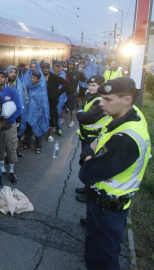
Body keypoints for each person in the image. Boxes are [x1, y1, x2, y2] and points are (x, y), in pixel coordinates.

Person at [79, 77, 150, 270]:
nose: (101, 103)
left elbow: (86, 173)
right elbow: (92, 148)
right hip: (103, 202)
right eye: (102, 97)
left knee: (102, 259)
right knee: (99, 250)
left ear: (127, 99)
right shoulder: (126, 116)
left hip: (109, 210)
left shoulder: (125, 138)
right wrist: (90, 155)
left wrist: (89, 157)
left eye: (108, 99)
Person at [75, 75, 107, 205]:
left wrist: (79, 113)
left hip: (94, 138)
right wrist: (81, 113)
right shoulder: (91, 97)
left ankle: (90, 193)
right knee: (86, 163)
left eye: (94, 85)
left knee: (91, 165)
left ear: (100, 86)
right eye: (89, 85)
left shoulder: (99, 100)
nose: (90, 87)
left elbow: (87, 117)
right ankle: (87, 187)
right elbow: (84, 113)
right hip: (87, 136)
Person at [0, 70, 22, 184]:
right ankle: (1, 167)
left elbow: (19, 108)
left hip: (10, 125)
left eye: (2, 77)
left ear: (6, 79)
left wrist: (7, 120)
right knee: (0, 147)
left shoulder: (11, 91)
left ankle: (11, 170)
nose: (0, 78)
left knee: (11, 148)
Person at [20, 61, 50, 155]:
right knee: (28, 127)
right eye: (31, 67)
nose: (32, 79)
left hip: (39, 110)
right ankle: (28, 143)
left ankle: (38, 146)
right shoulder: (28, 82)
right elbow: (24, 94)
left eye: (34, 78)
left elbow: (44, 99)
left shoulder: (41, 85)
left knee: (38, 127)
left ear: (38, 79)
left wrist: (44, 111)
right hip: (29, 109)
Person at [7, 65, 28, 157]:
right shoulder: (3, 84)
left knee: (17, 131)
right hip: (7, 114)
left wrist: (22, 107)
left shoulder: (20, 85)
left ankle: (17, 148)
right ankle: (7, 152)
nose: (13, 74)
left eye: (15, 72)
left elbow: (25, 98)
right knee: (7, 132)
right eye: (11, 72)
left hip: (18, 114)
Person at [42, 62, 67, 142]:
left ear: (49, 69)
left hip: (52, 101)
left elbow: (66, 84)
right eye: (44, 68)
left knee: (51, 117)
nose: (45, 70)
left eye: (47, 68)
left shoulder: (54, 77)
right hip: (42, 101)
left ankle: (50, 134)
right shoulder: (40, 77)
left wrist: (58, 93)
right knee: (41, 116)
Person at [62, 60, 86, 128]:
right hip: (64, 92)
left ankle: (72, 121)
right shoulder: (65, 72)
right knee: (63, 107)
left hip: (72, 93)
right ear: (67, 65)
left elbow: (83, 80)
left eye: (71, 64)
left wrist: (82, 73)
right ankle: (62, 119)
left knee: (72, 108)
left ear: (73, 65)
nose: (70, 66)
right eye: (69, 64)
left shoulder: (77, 72)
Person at [52, 60, 67, 137]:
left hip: (59, 97)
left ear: (61, 67)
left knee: (58, 113)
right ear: (53, 66)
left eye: (59, 66)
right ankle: (48, 129)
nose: (57, 68)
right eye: (56, 66)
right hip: (50, 96)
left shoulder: (62, 74)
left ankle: (59, 128)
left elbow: (64, 86)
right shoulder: (49, 73)